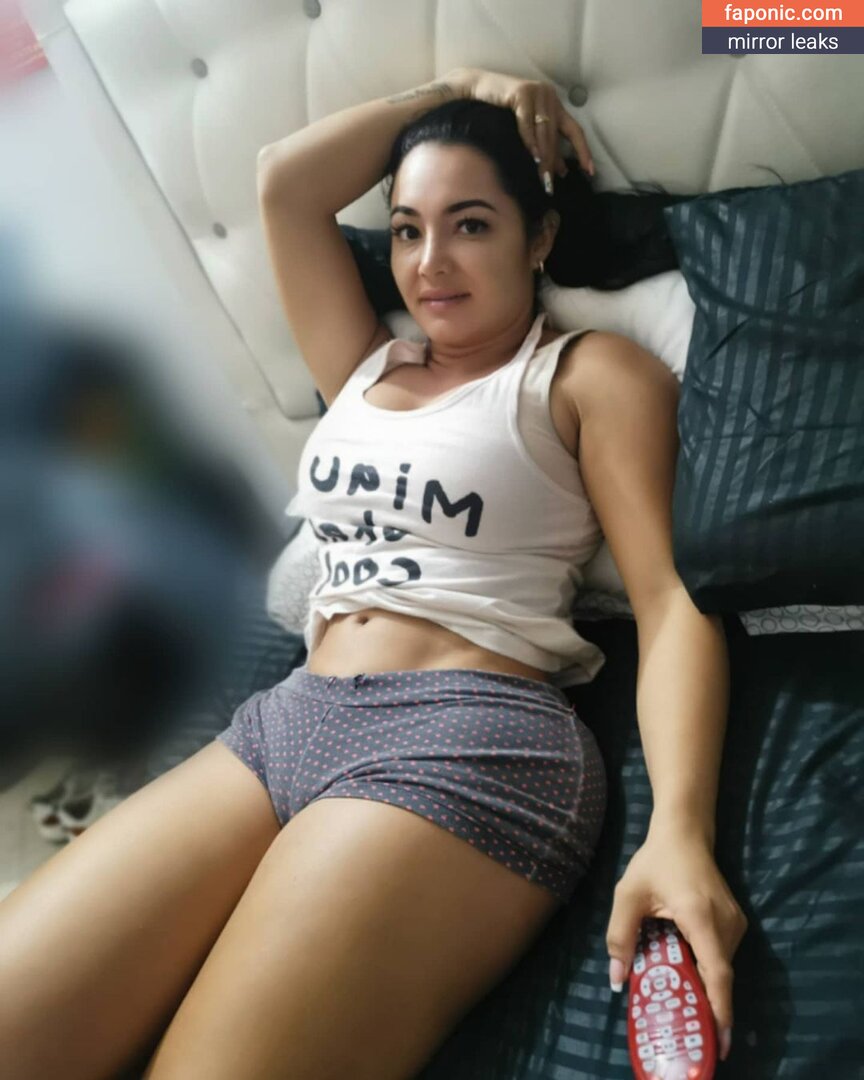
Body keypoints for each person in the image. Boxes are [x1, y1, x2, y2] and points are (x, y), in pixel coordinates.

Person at [0, 67, 747, 1080]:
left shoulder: (585, 374)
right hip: (285, 723)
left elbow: (668, 600)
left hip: (466, 738)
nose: (430, 263)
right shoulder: (363, 363)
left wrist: (680, 833)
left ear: (539, 238)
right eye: (406, 229)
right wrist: (458, 88)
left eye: (471, 225)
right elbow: (285, 183)